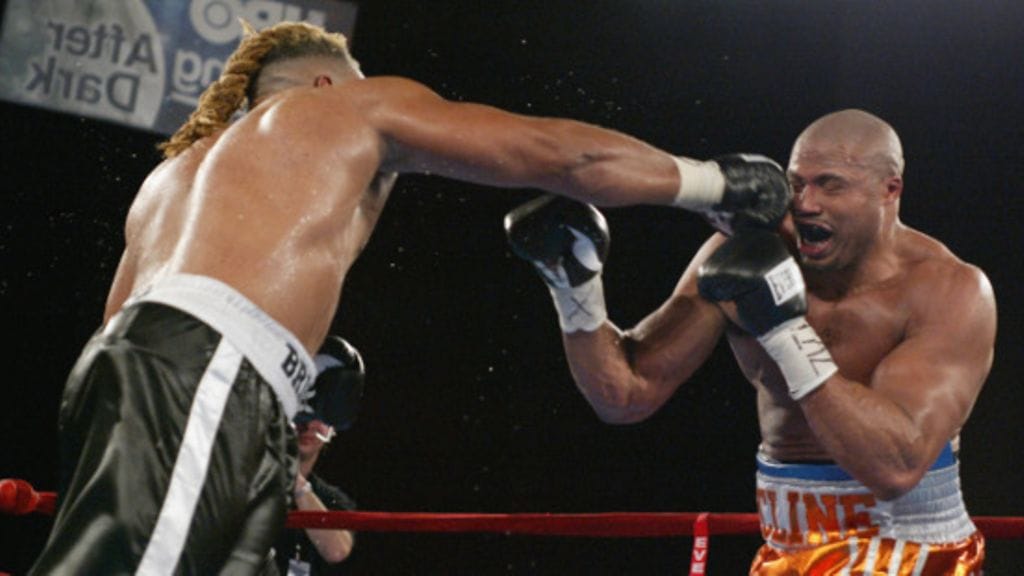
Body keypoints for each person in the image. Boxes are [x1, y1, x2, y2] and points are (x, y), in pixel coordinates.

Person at [29, 19, 792, 575]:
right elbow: (559, 155)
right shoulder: (340, 109)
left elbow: (117, 337)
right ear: (330, 81)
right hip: (211, 373)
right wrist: (713, 183)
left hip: (169, 380)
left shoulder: (174, 178)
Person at [506, 109, 995, 573]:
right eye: (797, 182)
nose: (805, 203)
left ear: (890, 190)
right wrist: (576, 291)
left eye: (830, 184)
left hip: (908, 548)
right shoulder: (748, 251)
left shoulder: (947, 290)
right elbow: (626, 395)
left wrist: (784, 330)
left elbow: (895, 467)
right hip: (788, 545)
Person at [272, 336, 362, 575]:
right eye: (303, 413)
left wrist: (297, 484)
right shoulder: (245, 481)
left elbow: (337, 550)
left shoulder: (331, 499)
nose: (309, 425)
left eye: (320, 417)